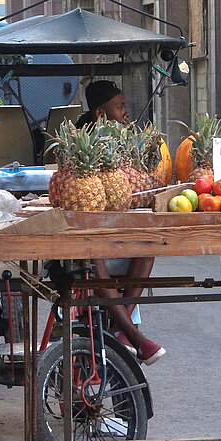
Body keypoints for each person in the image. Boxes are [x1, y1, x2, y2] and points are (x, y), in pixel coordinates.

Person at [76, 80, 165, 365]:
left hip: (121, 223)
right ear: (101, 113)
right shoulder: (80, 142)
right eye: (120, 106)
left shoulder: (126, 141)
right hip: (90, 228)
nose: (126, 112)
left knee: (150, 243)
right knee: (93, 252)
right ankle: (130, 332)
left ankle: (119, 326)